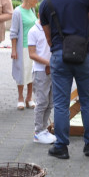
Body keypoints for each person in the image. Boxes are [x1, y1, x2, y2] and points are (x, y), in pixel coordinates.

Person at [39, 0, 89, 159]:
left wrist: (59, 47)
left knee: (61, 103)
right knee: (88, 101)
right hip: (85, 54)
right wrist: (83, 44)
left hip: (59, 54)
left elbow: (47, 36)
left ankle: (62, 146)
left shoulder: (46, 2)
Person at [8, 0, 42, 109]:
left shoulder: (32, 10)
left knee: (32, 73)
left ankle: (29, 97)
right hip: (22, 47)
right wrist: (13, 50)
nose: (37, 1)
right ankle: (20, 97)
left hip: (33, 47)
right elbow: (13, 32)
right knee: (22, 72)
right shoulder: (18, 11)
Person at [28, 13, 56, 144]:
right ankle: (38, 132)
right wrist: (49, 63)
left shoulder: (53, 28)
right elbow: (32, 54)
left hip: (52, 70)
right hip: (40, 71)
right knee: (42, 102)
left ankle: (43, 129)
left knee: (50, 102)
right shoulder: (33, 31)